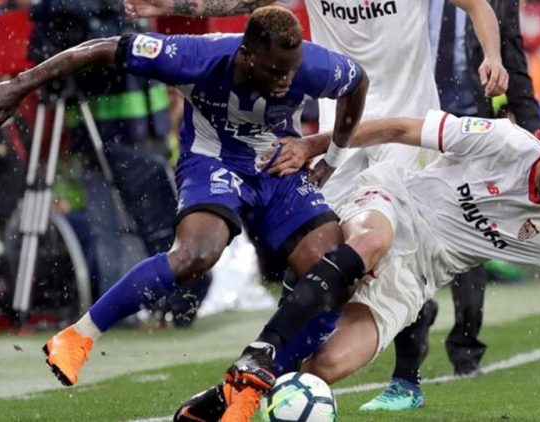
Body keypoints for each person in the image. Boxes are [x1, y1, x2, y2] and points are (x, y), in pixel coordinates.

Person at [123, 0, 509, 417]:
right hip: (339, 133)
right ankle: (266, 371)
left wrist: (493, 56)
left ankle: (406, 379)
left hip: (404, 129)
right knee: (318, 253)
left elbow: (477, 5)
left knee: (392, 253)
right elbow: (245, 2)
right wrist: (179, 5)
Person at [0, 5, 369, 391]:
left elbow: (357, 83)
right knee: (195, 256)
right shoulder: (193, 56)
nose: (286, 81)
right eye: (276, 71)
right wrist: (20, 84)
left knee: (334, 270)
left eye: (291, 71)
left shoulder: (312, 65)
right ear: (246, 56)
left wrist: (331, 158)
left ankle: (251, 383)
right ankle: (77, 336)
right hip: (214, 161)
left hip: (277, 165)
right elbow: (102, 47)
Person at [266, 113, 540, 422]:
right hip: (394, 205)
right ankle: (265, 347)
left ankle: (259, 384)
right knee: (372, 243)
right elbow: (399, 129)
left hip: (416, 278)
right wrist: (312, 146)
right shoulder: (504, 140)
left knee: (323, 369)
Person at [358, 0, 540, 411]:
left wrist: (531, 123)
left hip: (471, 122)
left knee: (469, 231)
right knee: (404, 227)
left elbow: (512, 57)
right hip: (411, 116)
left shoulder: (496, 3)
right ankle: (413, 328)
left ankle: (465, 344)